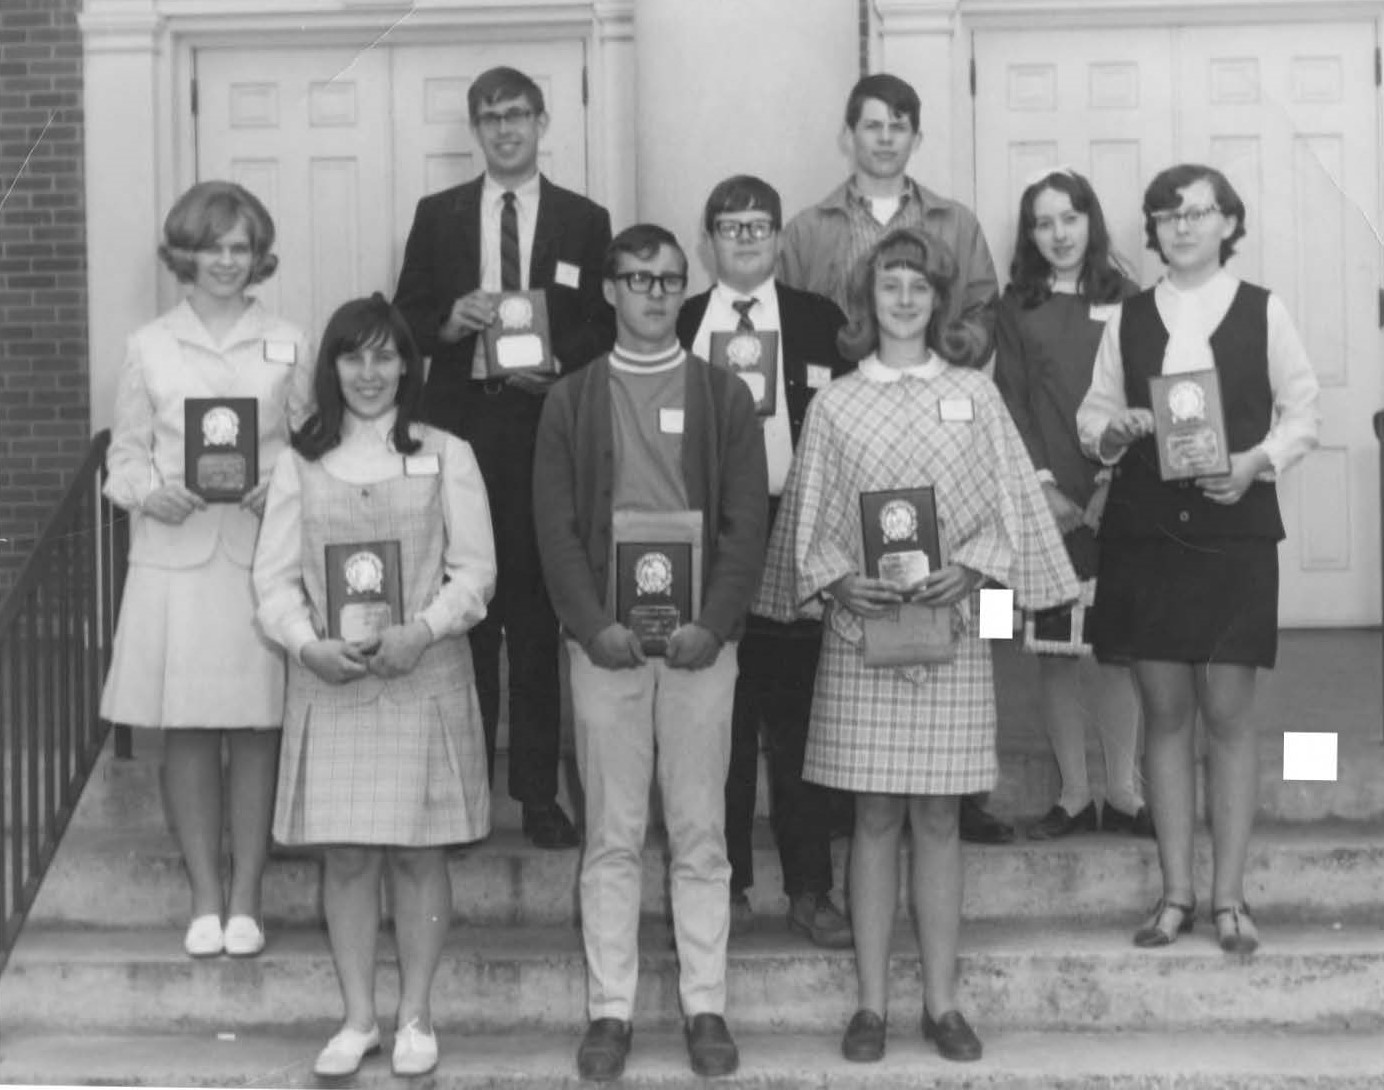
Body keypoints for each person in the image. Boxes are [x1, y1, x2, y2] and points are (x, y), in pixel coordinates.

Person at [756, 227, 1076, 1064]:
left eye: (919, 285)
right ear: (867, 300)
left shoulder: (975, 393)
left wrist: (972, 570)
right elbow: (807, 522)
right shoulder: (835, 402)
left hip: (952, 630)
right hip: (864, 631)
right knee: (870, 817)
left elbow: (1008, 508)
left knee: (938, 816)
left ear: (939, 301)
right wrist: (834, 581)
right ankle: (869, 1007)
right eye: (889, 284)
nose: (904, 298)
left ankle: (941, 1002)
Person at [533, 225, 767, 1081]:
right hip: (606, 647)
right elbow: (555, 530)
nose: (655, 293)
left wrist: (717, 620)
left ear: (685, 286)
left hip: (704, 646)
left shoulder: (723, 395)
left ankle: (707, 1006)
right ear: (610, 289)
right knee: (614, 833)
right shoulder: (573, 399)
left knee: (703, 831)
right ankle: (611, 1012)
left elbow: (747, 523)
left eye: (669, 280)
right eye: (638, 279)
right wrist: (592, 624)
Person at [1077, 164, 1319, 954]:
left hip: (1233, 536)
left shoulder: (1264, 310)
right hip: (1149, 536)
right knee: (1167, 714)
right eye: (1166, 215)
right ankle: (1175, 894)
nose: (1181, 227)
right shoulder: (1130, 315)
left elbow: (1303, 410)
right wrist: (1114, 432)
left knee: (1228, 715)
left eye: (1197, 213)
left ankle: (1230, 898)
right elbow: (1096, 413)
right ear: (1152, 229)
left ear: (1227, 222)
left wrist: (1255, 461)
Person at [254, 295, 497, 1077]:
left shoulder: (445, 452)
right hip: (334, 681)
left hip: (423, 674)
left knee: (420, 857)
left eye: (384, 356)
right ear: (331, 368)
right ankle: (359, 1017)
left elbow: (477, 572)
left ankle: (416, 1014)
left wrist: (421, 630)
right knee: (350, 858)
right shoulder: (301, 461)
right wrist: (305, 645)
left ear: (407, 364)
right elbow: (275, 582)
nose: (368, 373)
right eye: (352, 357)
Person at [777, 72, 1010, 845]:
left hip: (943, 419)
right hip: (854, 426)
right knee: (858, 599)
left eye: (898, 125)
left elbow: (983, 312)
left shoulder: (954, 219)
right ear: (850, 135)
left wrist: (948, 365)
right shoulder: (810, 227)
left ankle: (964, 782)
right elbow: (792, 324)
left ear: (916, 135)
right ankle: (862, 780)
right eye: (870, 124)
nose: (884, 137)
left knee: (976, 600)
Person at [394, 65, 615, 850]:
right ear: (474, 129)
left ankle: (536, 793)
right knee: (467, 618)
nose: (505, 128)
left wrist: (556, 365)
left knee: (534, 613)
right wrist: (450, 323)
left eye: (517, 114)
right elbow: (404, 322)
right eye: (489, 117)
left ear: (543, 120)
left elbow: (601, 329)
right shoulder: (439, 214)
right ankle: (466, 795)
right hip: (461, 433)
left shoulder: (586, 220)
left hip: (543, 427)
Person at [100, 180, 312, 960]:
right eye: (214, 245)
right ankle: (204, 898)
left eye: (242, 247)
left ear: (259, 256)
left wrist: (280, 482)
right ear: (184, 252)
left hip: (259, 552)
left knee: (258, 728)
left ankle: (249, 897)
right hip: (177, 559)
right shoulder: (149, 344)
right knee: (187, 728)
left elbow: (309, 442)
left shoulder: (287, 338)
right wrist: (151, 494)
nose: (228, 260)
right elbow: (123, 455)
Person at [675, 175, 854, 947]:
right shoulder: (680, 320)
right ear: (706, 241)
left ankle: (811, 888)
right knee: (718, 719)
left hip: (797, 527)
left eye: (759, 226)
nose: (745, 239)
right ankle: (731, 886)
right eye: (730, 226)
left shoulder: (819, 321)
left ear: (780, 238)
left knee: (797, 720)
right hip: (707, 535)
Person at [993, 168, 1150, 840]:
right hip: (1047, 505)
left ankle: (1124, 793)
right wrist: (1047, 488)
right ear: (1031, 234)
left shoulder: (1130, 299)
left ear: (1092, 221)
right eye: (1044, 222)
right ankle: (1073, 796)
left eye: (1070, 218)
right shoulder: (1016, 306)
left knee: (1115, 651)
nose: (1059, 234)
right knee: (1056, 650)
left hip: (1121, 499)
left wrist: (1116, 484)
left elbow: (1147, 393)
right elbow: (1014, 402)